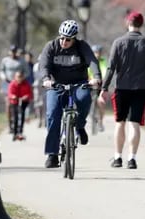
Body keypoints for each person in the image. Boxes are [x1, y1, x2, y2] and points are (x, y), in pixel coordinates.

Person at [37, 20, 102, 168]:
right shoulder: (51, 46)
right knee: (53, 115)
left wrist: (96, 77)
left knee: (85, 98)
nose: (64, 42)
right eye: (62, 38)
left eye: (68, 39)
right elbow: (44, 65)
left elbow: (92, 61)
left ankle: (79, 126)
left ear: (74, 39)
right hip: (56, 85)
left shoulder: (82, 47)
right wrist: (46, 79)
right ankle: (52, 154)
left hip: (79, 84)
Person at [98, 11, 145, 170]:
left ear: (128, 23)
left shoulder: (118, 43)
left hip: (122, 88)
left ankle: (118, 157)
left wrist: (104, 88)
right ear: (141, 24)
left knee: (120, 123)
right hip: (141, 88)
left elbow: (111, 68)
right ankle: (132, 158)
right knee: (135, 123)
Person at [0, 45, 28, 134]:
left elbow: (27, 71)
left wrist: (22, 78)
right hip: (8, 83)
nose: (13, 53)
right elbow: (1, 70)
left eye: (15, 51)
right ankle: (10, 125)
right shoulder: (5, 60)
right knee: (8, 104)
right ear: (9, 52)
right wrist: (4, 77)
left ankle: (18, 124)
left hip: (19, 83)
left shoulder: (22, 61)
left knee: (19, 104)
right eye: (12, 51)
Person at [7, 69, 33, 141]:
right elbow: (9, 94)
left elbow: (30, 94)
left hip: (23, 102)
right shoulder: (12, 84)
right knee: (15, 118)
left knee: (22, 116)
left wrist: (26, 96)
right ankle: (15, 133)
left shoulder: (26, 84)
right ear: (15, 77)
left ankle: (20, 132)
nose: (19, 78)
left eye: (21, 76)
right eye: (18, 76)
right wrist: (13, 96)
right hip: (14, 102)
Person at [89, 44, 108, 132]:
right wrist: (90, 79)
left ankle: (100, 121)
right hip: (90, 84)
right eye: (95, 52)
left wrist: (102, 79)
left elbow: (104, 71)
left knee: (101, 103)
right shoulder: (89, 61)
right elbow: (87, 71)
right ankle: (91, 116)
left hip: (100, 84)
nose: (97, 54)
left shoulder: (103, 61)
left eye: (99, 52)